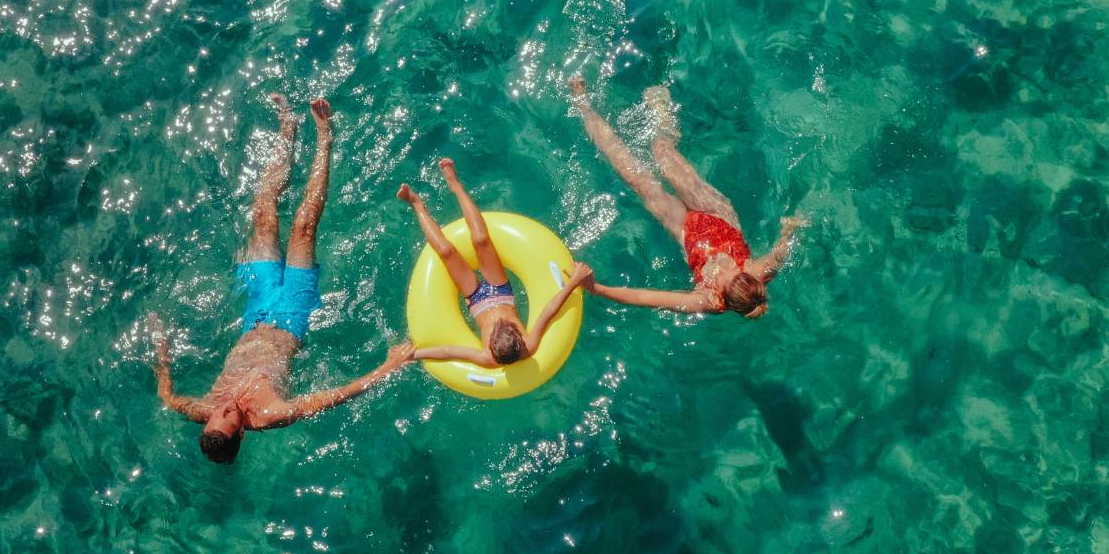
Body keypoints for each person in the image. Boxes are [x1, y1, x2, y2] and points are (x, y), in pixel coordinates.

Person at [152, 95, 414, 464]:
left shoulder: (205, 409)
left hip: (256, 309)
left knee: (263, 214)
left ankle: (287, 128)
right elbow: (335, 396)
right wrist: (388, 367)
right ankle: (325, 136)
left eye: (215, 414)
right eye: (230, 417)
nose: (224, 407)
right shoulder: (270, 413)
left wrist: (161, 351)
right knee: (304, 227)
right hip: (292, 314)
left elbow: (168, 397)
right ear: (242, 431)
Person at [566, 77, 807, 318]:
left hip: (685, 231)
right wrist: (790, 230)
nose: (722, 269)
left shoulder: (707, 300)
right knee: (661, 152)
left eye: (722, 279)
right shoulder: (755, 272)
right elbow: (777, 257)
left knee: (635, 177)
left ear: (724, 297)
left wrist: (596, 288)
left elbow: (645, 298)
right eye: (733, 270)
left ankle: (583, 105)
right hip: (716, 213)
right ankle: (662, 110)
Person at [398, 157, 594, 367]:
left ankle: (416, 204)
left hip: (476, 300)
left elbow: (448, 351)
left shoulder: (487, 358)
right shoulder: (531, 343)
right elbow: (549, 310)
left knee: (446, 251)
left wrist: (413, 355)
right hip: (501, 291)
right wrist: (573, 282)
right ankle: (455, 185)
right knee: (481, 239)